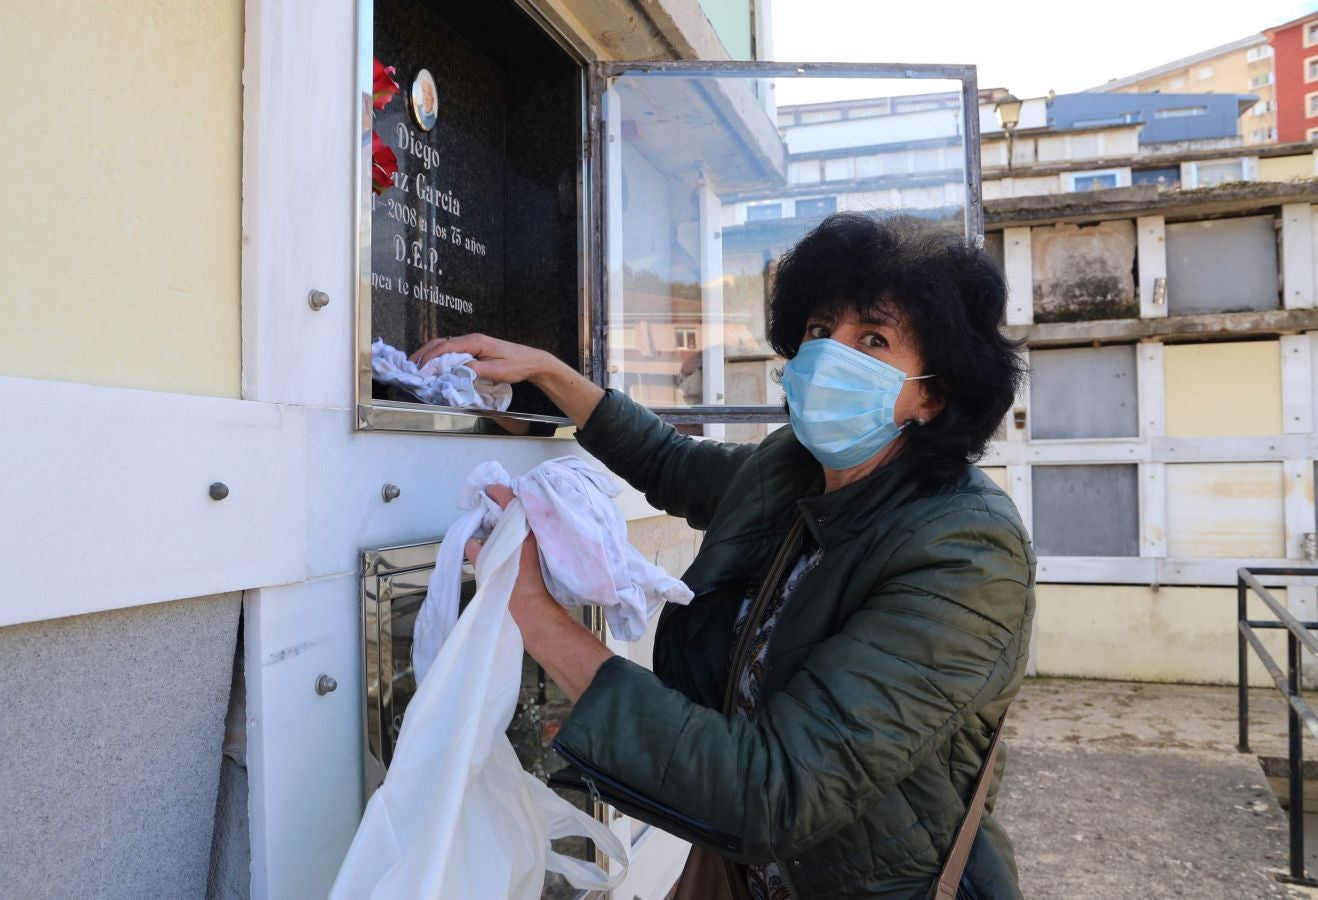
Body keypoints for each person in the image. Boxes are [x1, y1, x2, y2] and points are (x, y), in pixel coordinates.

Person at [411, 213, 1035, 899]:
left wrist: (536, 613)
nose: (830, 356)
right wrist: (550, 376)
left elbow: (774, 790)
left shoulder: (967, 551)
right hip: (739, 875)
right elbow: (668, 461)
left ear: (932, 395)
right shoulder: (793, 470)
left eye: (874, 340)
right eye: (820, 331)